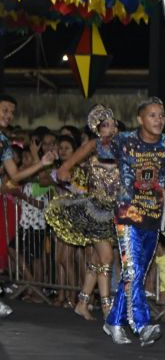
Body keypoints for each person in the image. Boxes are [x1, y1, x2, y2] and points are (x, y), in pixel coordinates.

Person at [66, 97, 165, 346]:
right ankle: (141, 325)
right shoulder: (124, 141)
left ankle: (114, 321)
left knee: (136, 275)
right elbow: (92, 146)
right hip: (127, 215)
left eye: (161, 115)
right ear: (140, 119)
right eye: (152, 115)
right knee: (131, 271)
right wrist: (67, 165)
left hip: (153, 219)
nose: (158, 119)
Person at [52, 105, 119, 320]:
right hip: (96, 210)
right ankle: (108, 308)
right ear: (98, 129)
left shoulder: (121, 147)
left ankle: (82, 302)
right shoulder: (94, 145)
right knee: (107, 257)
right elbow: (68, 165)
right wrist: (65, 172)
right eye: (106, 125)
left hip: (113, 210)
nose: (112, 128)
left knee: (97, 258)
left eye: (114, 124)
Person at [0, 94, 55, 317]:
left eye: (11, 112)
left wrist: (40, 163)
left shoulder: (4, 141)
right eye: (4, 110)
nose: (9, 115)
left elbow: (14, 175)